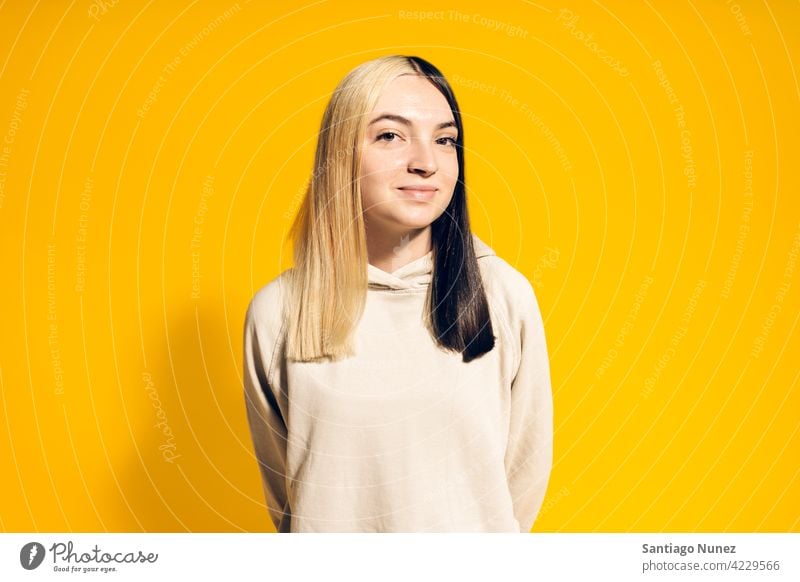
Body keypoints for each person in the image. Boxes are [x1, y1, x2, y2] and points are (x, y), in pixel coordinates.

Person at [242, 54, 552, 532]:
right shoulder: (278, 312)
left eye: (445, 140)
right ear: (340, 152)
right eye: (390, 135)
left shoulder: (503, 296)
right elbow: (287, 495)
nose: (426, 162)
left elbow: (522, 481)